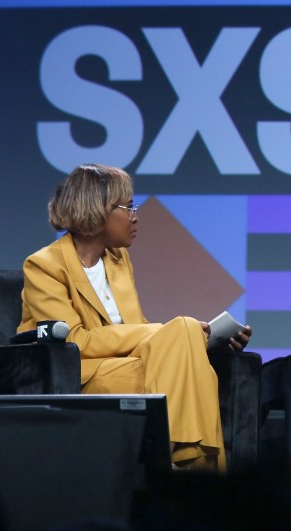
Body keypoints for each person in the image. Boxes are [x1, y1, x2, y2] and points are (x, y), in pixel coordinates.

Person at [18, 164, 251, 471]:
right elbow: (74, 340)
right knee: (188, 345)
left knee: (186, 335)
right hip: (79, 374)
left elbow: (136, 333)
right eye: (127, 207)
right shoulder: (44, 265)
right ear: (98, 211)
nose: (135, 216)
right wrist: (168, 333)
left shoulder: (118, 259)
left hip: (128, 363)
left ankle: (179, 461)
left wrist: (203, 341)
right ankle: (192, 469)